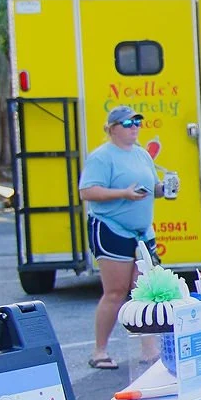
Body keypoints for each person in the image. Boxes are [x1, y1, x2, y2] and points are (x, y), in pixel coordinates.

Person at [79, 105, 163, 369]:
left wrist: (164, 189)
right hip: (111, 227)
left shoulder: (141, 155)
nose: (134, 127)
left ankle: (150, 351)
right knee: (115, 292)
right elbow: (88, 191)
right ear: (112, 128)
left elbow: (152, 188)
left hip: (142, 232)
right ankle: (99, 351)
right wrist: (122, 194)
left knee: (145, 291)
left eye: (137, 122)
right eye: (128, 123)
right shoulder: (102, 157)